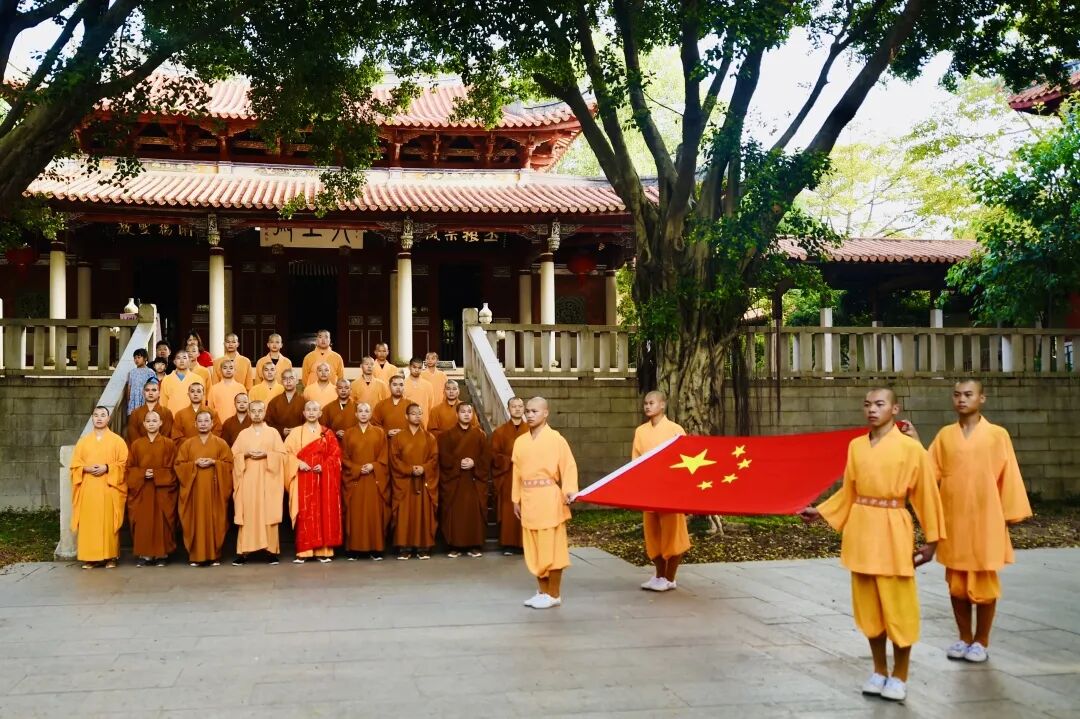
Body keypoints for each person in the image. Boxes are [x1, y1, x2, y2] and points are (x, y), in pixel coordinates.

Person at [799, 388, 945, 703]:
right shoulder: (856, 446)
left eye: (880, 404)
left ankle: (901, 675)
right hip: (862, 530)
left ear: (895, 409)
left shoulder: (911, 449)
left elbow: (926, 495)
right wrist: (822, 511)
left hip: (893, 525)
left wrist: (932, 541)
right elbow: (849, 491)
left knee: (898, 606)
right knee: (869, 608)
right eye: (867, 404)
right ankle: (879, 670)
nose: (872, 410)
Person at [923, 379, 1032, 663]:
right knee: (956, 583)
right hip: (954, 516)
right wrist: (912, 442)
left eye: (968, 394)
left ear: (982, 398)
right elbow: (927, 471)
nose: (962, 399)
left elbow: (1009, 475)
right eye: (957, 395)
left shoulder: (998, 435)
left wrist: (1009, 514)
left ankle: (981, 641)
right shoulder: (946, 435)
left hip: (986, 517)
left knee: (983, 583)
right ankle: (963, 638)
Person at [512, 397, 578, 609]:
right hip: (529, 497)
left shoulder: (556, 439)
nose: (529, 415)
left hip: (549, 497)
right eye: (527, 411)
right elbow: (517, 474)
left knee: (552, 548)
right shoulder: (520, 441)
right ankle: (542, 591)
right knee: (534, 549)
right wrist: (516, 498)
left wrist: (569, 491)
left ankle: (554, 593)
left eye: (534, 411)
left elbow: (568, 466)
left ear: (545, 413)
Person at [633, 390, 689, 592]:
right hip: (649, 489)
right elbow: (636, 462)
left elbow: (686, 463)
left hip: (670, 490)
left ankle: (670, 577)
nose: (648, 406)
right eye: (645, 403)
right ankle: (659, 575)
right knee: (652, 534)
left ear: (663, 405)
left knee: (672, 534)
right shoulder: (640, 431)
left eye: (652, 403)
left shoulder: (676, 430)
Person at [284, 401, 344, 563]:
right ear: (303, 413)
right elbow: (286, 454)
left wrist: (324, 465)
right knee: (306, 513)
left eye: (315, 410)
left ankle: (324, 551)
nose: (311, 413)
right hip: (303, 478)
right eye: (308, 410)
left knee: (324, 512)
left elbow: (336, 456)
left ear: (320, 413)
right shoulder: (296, 433)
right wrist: (298, 463)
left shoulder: (327, 433)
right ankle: (304, 551)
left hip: (323, 478)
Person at [70, 407, 128, 569]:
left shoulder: (117, 441)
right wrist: (85, 468)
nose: (99, 418)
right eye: (96, 416)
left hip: (109, 487)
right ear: (92, 419)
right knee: (90, 522)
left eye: (103, 415)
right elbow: (75, 465)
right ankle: (90, 558)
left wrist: (107, 467)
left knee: (109, 522)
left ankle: (111, 557)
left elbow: (123, 464)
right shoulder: (83, 442)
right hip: (89, 488)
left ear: (108, 419)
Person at [174, 410, 234, 566]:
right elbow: (179, 465)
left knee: (216, 520)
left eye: (206, 421)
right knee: (194, 521)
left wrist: (215, 463)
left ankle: (215, 555)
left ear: (212, 423)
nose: (203, 424)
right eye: (200, 421)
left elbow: (229, 465)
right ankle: (195, 556)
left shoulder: (221, 443)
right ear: (195, 424)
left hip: (215, 491)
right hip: (194, 492)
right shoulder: (187, 444)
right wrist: (194, 464)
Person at [232, 400, 287, 564]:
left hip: (268, 479)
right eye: (253, 411)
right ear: (249, 413)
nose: (256, 413)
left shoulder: (273, 433)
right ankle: (243, 552)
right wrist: (246, 455)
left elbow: (282, 456)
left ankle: (271, 552)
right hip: (248, 479)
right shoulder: (243, 434)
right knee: (248, 513)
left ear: (264, 413)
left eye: (260, 410)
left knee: (268, 512)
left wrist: (267, 455)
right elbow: (233, 456)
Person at [125, 411, 178, 566]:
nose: (152, 423)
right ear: (144, 424)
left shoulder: (169, 444)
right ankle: (145, 554)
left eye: (155, 420)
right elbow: (129, 469)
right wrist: (142, 474)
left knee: (162, 522)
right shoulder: (136, 445)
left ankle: (162, 554)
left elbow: (174, 468)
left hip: (162, 492)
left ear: (161, 423)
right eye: (148, 421)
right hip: (142, 491)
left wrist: (156, 474)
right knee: (143, 522)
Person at [437, 402, 491, 558]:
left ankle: (474, 545)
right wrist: (457, 463)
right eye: (463, 412)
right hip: (455, 481)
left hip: (473, 480)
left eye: (469, 411)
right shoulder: (446, 436)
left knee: (473, 514)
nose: (467, 414)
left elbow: (486, 457)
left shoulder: (480, 435)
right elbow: (443, 456)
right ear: (457, 414)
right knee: (455, 514)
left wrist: (474, 463)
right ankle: (454, 546)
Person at [389, 403, 439, 560]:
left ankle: (423, 546)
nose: (417, 416)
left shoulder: (429, 437)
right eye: (413, 413)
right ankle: (405, 546)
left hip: (424, 482)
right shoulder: (398, 437)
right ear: (406, 416)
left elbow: (434, 458)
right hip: (404, 483)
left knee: (423, 513)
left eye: (419, 413)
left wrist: (424, 468)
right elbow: (394, 458)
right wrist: (409, 469)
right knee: (404, 514)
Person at [341, 402, 390, 560]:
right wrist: (356, 468)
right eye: (360, 411)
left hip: (373, 479)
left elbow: (384, 456)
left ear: (371, 414)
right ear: (355, 414)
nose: (363, 414)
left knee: (373, 514)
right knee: (355, 514)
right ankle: (354, 549)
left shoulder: (380, 432)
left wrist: (373, 466)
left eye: (366, 411)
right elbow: (343, 457)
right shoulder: (348, 433)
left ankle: (375, 549)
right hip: (355, 480)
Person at [491, 397, 528, 555]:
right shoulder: (499, 432)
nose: (517, 409)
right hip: (508, 476)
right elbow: (493, 455)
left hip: (528, 477)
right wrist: (509, 460)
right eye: (514, 406)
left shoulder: (531, 430)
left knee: (528, 509)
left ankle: (526, 544)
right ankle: (509, 544)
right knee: (508, 509)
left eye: (520, 406)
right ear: (508, 409)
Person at [127, 378, 174, 444]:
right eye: (147, 390)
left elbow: (167, 433)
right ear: (143, 393)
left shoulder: (166, 412)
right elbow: (132, 434)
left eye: (154, 390)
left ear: (159, 393)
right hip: (140, 449)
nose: (150, 393)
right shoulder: (135, 413)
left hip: (161, 448)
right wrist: (143, 446)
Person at [267, 368, 306, 439]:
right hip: (278, 439)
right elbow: (268, 423)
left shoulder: (305, 402)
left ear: (297, 381)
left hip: (298, 439)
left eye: (291, 378)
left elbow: (309, 423)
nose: (288, 381)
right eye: (285, 379)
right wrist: (281, 430)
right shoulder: (274, 402)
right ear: (281, 382)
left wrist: (296, 431)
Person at [207, 358, 245, 423]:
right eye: (225, 368)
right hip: (219, 424)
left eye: (231, 368)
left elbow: (245, 407)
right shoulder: (214, 388)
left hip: (237, 422)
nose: (228, 370)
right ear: (220, 371)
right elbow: (210, 409)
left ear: (235, 371)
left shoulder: (241, 388)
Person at [403, 358, 435, 428]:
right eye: (414, 367)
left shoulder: (428, 385)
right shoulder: (403, 384)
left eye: (419, 368)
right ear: (409, 367)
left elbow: (431, 406)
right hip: (406, 422)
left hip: (424, 421)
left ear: (422, 368)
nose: (417, 370)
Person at [125, 348, 156, 415]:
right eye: (135, 358)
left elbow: (154, 387)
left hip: (145, 398)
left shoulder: (150, 372)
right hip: (133, 399)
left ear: (145, 358)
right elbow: (129, 387)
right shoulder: (132, 372)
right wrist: (128, 400)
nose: (136, 360)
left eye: (139, 357)